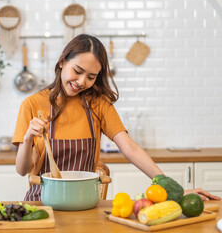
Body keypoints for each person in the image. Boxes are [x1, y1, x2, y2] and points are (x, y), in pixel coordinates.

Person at [12, 34, 221, 202]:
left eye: (91, 77)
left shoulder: (98, 104)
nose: (81, 81)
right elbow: (22, 171)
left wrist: (172, 189)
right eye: (78, 71)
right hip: (41, 203)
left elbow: (130, 148)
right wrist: (28, 138)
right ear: (61, 62)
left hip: (85, 203)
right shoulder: (32, 105)